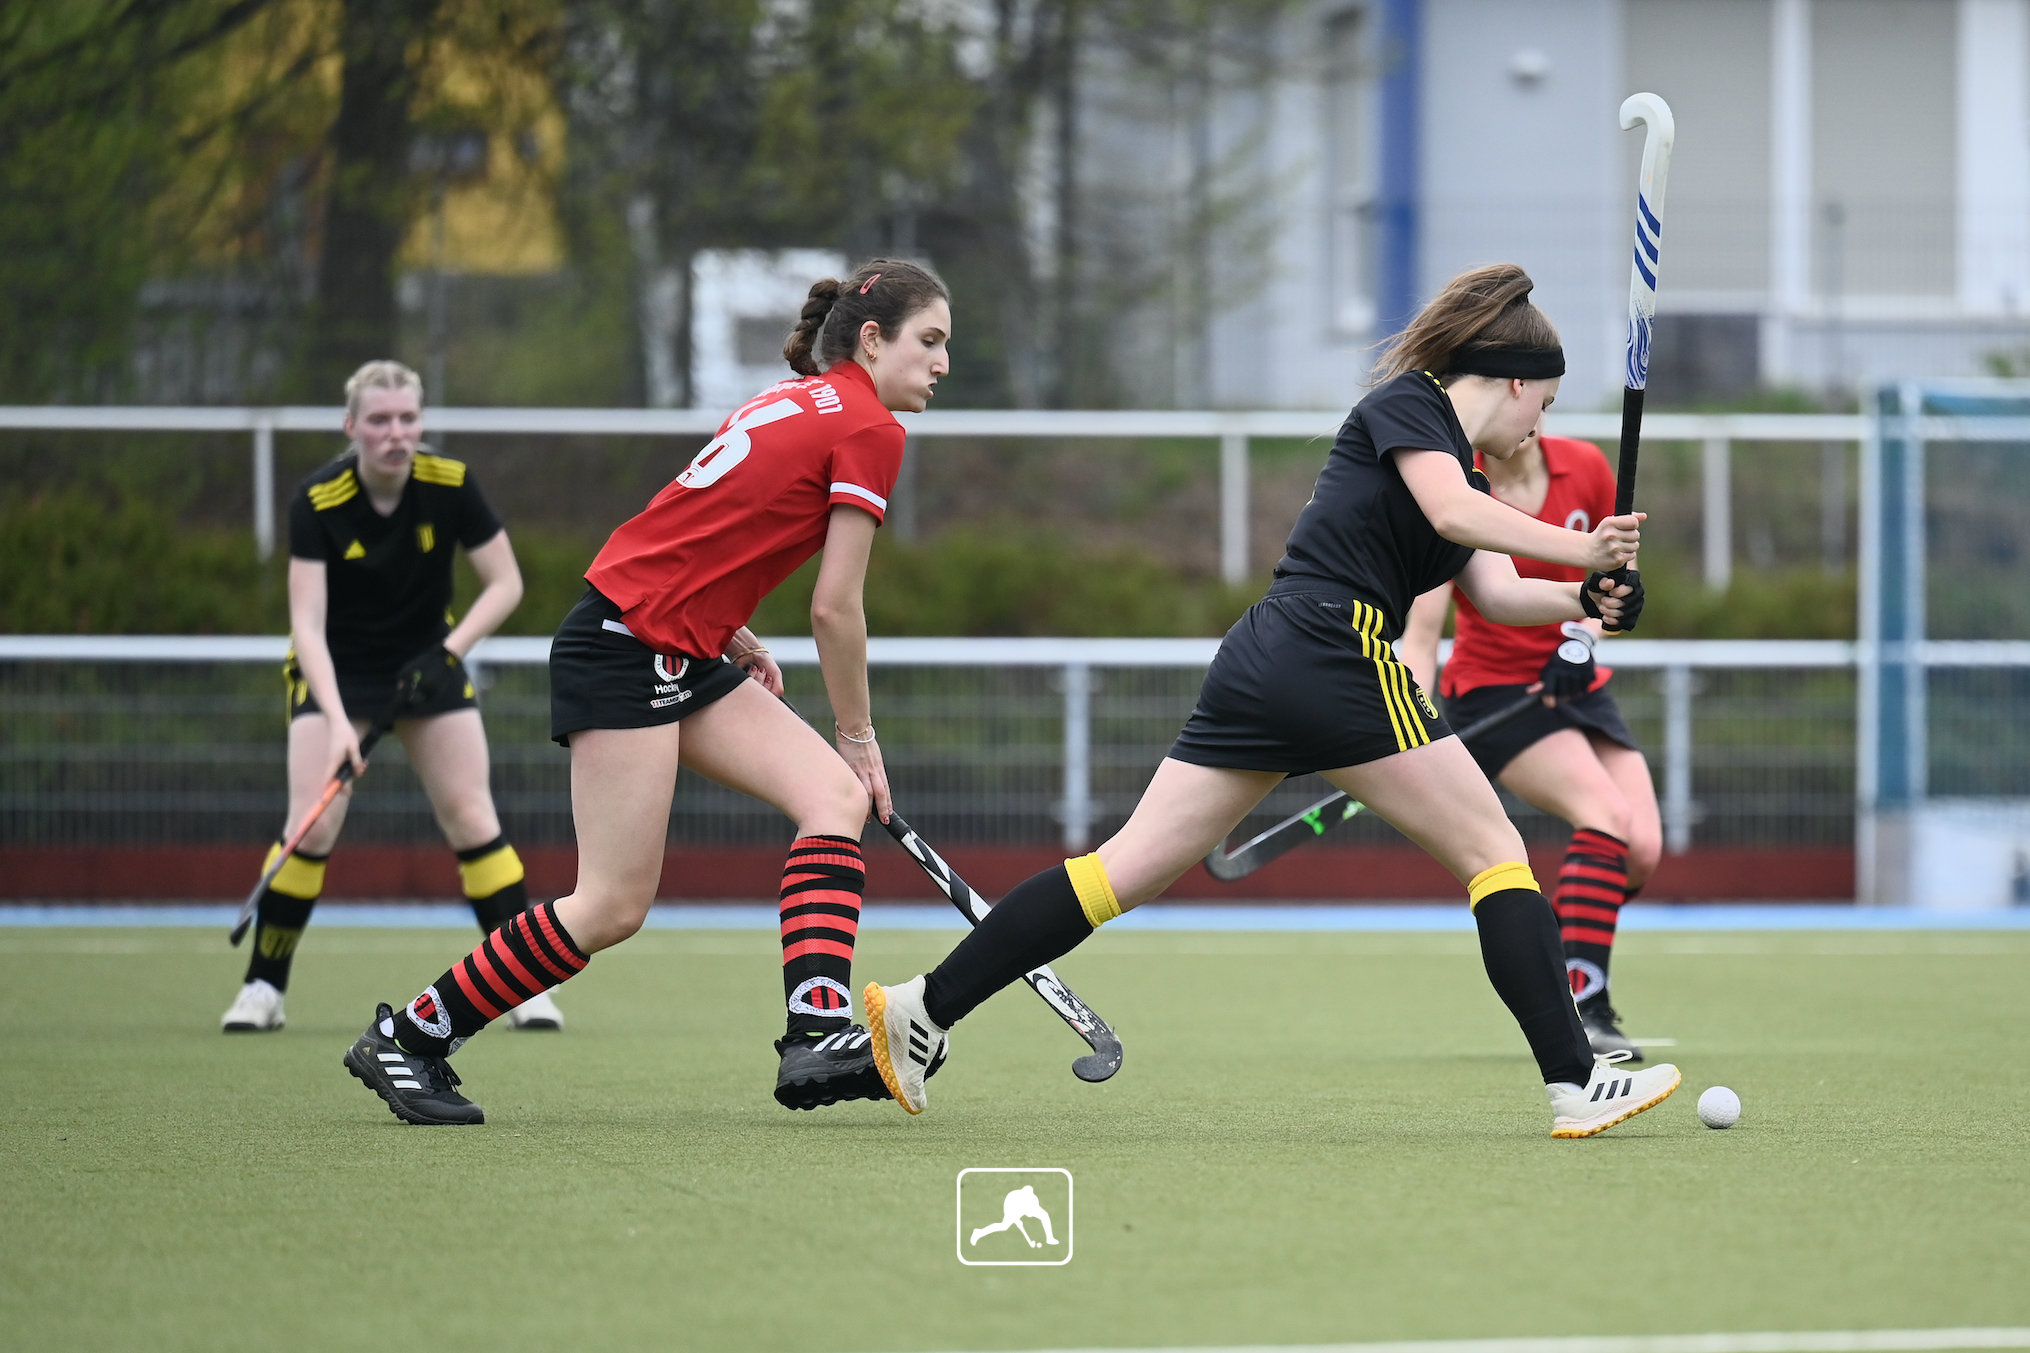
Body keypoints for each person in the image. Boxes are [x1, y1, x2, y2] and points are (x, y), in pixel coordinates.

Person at [864, 263, 1682, 1138]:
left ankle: (923, 1009)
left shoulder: (1465, 476)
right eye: (1544, 403)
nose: (1540, 425)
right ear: (1516, 381)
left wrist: (1585, 596)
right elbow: (1448, 515)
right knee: (1497, 853)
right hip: (1336, 648)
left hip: (1268, 657)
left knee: (1120, 871)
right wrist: (1584, 548)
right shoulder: (1413, 405)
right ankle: (1575, 1081)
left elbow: (1500, 589)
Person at [341, 258, 952, 1125]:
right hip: (626, 648)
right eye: (929, 341)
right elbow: (835, 607)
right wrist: (858, 731)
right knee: (610, 905)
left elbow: (695, 527)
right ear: (873, 340)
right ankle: (411, 1035)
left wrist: (727, 626)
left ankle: (815, 1032)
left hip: (674, 642)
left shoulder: (791, 398)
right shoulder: (870, 427)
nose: (942, 363)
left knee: (833, 800)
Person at [221, 361, 555, 1033]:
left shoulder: (450, 483)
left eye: (407, 418)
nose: (396, 433)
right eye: (379, 420)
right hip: (335, 671)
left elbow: (506, 584)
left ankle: (523, 986)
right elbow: (306, 625)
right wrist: (339, 723)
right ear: (351, 427)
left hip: (428, 664)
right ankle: (263, 987)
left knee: (471, 815)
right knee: (313, 824)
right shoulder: (317, 500)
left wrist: (448, 654)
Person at [1399, 419, 1664, 1062]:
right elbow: (1423, 636)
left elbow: (1616, 595)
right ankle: (1585, 1003)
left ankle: (1558, 950)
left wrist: (1582, 640)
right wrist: (1405, 728)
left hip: (1575, 681)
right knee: (1606, 816)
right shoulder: (1458, 491)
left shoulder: (1587, 468)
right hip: (1494, 694)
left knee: (1642, 850)